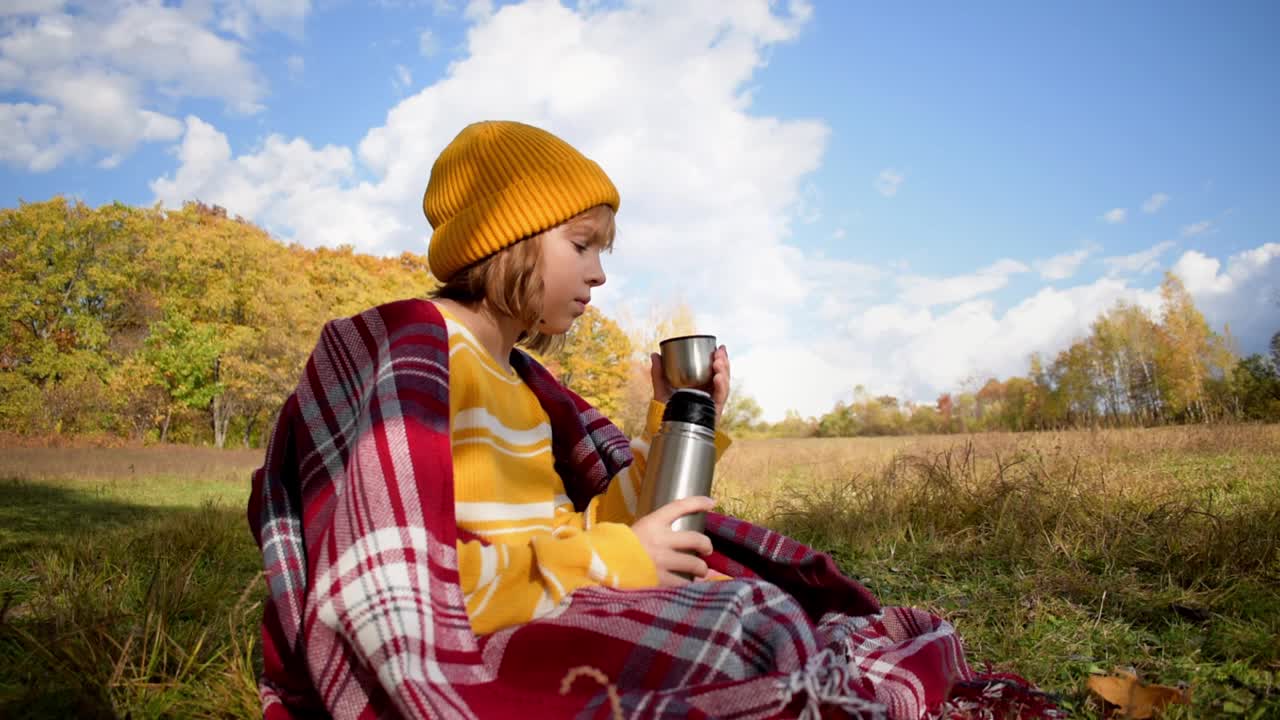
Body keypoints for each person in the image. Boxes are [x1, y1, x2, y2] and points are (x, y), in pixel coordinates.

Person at [421, 119, 732, 635]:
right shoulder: (430, 358)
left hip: (555, 594)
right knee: (757, 628)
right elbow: (422, 583)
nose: (599, 275)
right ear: (507, 239)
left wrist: (681, 423)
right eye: (581, 245)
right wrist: (615, 559)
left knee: (753, 606)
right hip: (511, 622)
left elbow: (579, 535)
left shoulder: (522, 389)